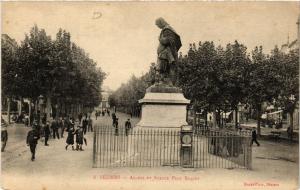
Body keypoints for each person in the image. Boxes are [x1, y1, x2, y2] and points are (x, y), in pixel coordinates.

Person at [155, 17, 182, 84]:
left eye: (158, 25)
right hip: (164, 54)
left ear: (161, 22)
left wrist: (160, 39)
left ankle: (168, 83)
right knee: (162, 69)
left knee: (165, 68)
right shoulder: (165, 29)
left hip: (167, 54)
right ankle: (164, 82)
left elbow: (168, 40)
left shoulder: (167, 29)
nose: (158, 27)